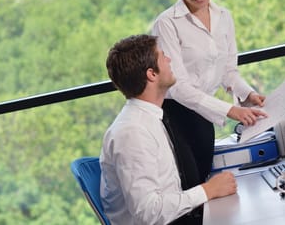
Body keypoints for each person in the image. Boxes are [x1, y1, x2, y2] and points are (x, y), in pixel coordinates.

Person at [152, 0, 267, 189]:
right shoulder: (167, 23)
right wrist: (230, 110)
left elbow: (228, 70)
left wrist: (247, 94)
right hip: (175, 115)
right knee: (190, 187)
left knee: (203, 178)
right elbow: (178, 87)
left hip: (204, 114)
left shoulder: (224, 17)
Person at [100, 34, 237, 225]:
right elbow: (148, 212)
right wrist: (208, 190)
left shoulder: (152, 117)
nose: (169, 59)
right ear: (152, 74)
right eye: (163, 56)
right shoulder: (132, 133)